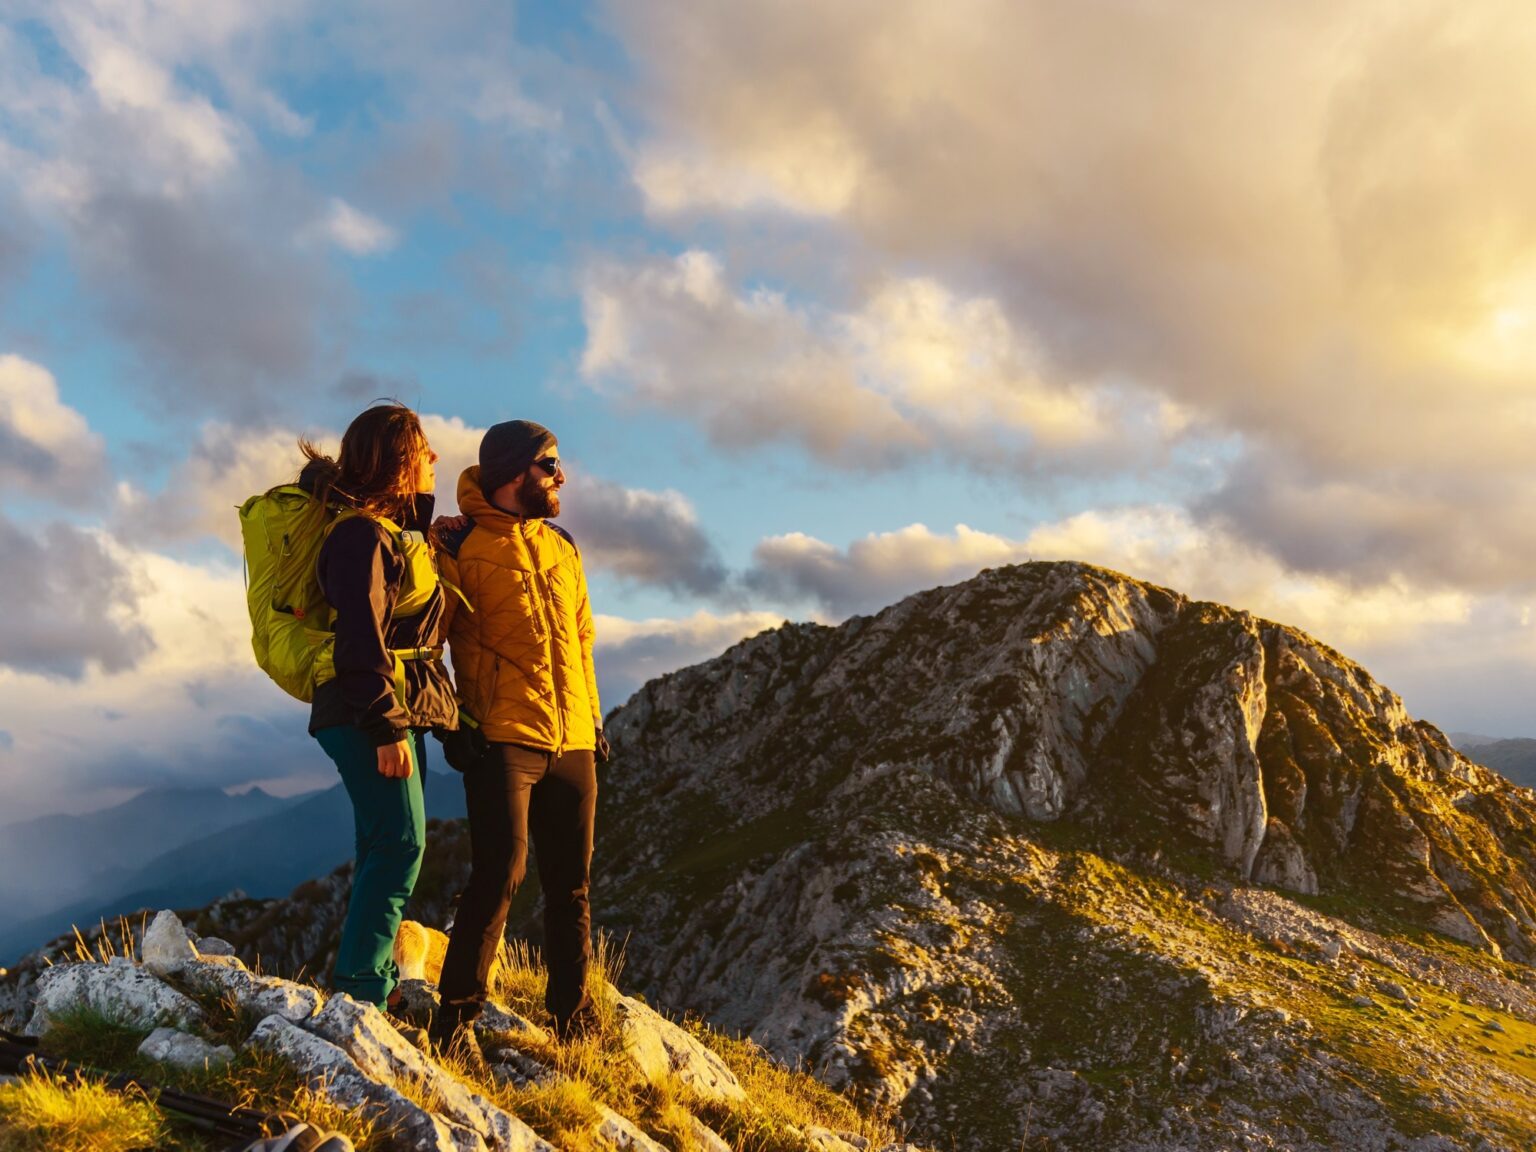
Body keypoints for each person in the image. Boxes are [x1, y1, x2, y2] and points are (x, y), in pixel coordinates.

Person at [431, 419, 606, 1049]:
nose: (562, 477)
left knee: (571, 886)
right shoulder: (458, 546)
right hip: (501, 736)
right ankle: (453, 1022)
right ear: (513, 471)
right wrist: (450, 724)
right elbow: (431, 641)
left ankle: (573, 1021)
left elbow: (582, 638)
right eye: (550, 464)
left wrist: (594, 718)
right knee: (499, 874)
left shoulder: (563, 546)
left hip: (574, 738)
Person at [300, 403, 457, 1011]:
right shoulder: (359, 535)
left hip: (384, 706)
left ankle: (364, 980)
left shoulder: (385, 533)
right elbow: (359, 638)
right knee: (401, 842)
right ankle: (363, 989)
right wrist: (387, 725)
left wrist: (423, 520)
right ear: (398, 460)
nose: (435, 459)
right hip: (366, 709)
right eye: (424, 450)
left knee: (382, 842)